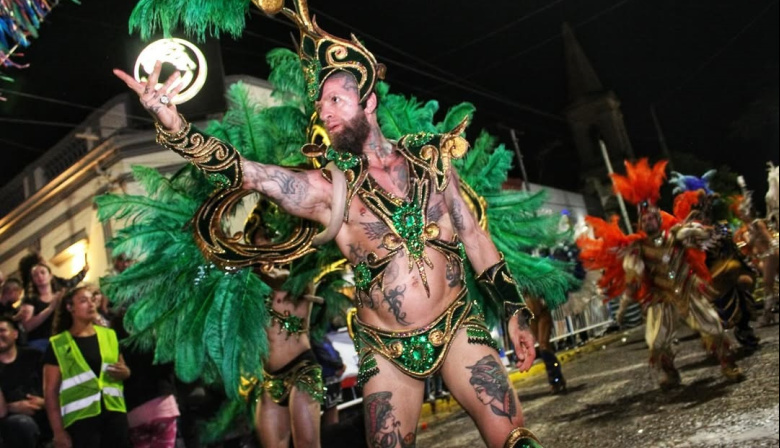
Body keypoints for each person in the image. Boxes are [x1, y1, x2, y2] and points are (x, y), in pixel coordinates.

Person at [114, 4, 542, 446]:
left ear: (369, 101)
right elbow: (249, 173)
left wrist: (514, 311)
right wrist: (174, 124)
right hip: (388, 352)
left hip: (458, 327)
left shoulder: (430, 159)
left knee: (516, 441)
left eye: (336, 100)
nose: (325, 112)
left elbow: (472, 235)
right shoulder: (327, 189)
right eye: (321, 105)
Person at [578, 159, 743, 390]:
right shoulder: (638, 248)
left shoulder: (676, 234)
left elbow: (703, 236)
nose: (649, 221)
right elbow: (633, 280)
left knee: (713, 326)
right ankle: (671, 373)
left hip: (687, 289)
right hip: (661, 297)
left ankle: (728, 364)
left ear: (658, 218)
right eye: (645, 219)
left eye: (652, 217)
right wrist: (624, 307)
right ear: (641, 223)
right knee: (656, 341)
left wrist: (709, 230)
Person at [42, 286, 131, 448]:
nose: (90, 304)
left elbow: (122, 367)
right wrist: (58, 432)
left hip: (115, 413)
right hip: (81, 421)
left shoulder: (109, 335)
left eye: (92, 299)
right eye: (83, 301)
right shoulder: (58, 344)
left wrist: (125, 372)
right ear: (70, 308)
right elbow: (50, 393)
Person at [0, 316, 50, 447]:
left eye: (2, 330)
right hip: (9, 421)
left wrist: (44, 403)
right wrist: (12, 407)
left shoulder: (35, 356)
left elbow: (56, 387)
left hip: (46, 410)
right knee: (22, 424)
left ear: (15, 334)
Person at [19, 260, 89, 351]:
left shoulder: (61, 296)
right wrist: (50, 308)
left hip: (62, 338)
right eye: (35, 275)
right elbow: (27, 326)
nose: (40, 276)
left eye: (43, 273)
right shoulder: (30, 299)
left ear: (50, 275)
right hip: (40, 342)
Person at [311, 334, 345, 426]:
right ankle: (331, 434)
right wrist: (338, 365)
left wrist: (340, 364)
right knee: (329, 411)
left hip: (333, 377)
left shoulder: (322, 336)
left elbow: (334, 352)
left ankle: (333, 432)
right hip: (325, 377)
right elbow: (322, 354)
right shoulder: (313, 337)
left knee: (333, 408)